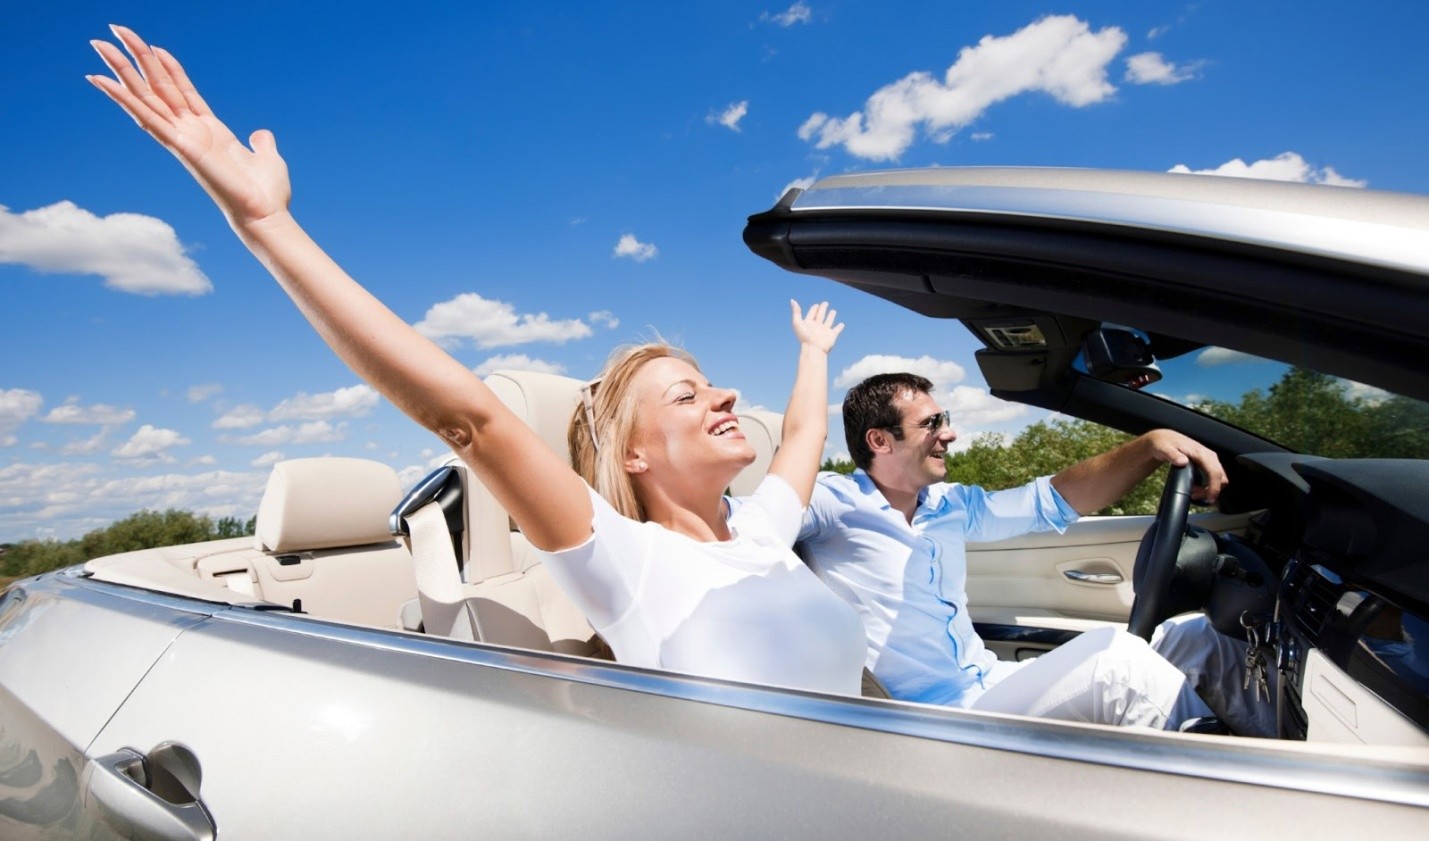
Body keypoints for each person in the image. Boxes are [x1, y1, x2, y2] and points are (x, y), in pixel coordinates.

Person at [89, 26, 868, 695]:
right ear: (631, 454)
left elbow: (803, 434)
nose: (725, 397)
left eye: (710, 385)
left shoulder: (763, 531)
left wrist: (812, 351)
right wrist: (266, 223)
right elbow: (470, 419)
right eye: (686, 395)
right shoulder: (623, 559)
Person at [797, 372, 1276, 734]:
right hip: (940, 720)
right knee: (1119, 668)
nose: (949, 433)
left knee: (1198, 637)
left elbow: (1052, 500)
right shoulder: (831, 503)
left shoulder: (949, 505)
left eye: (945, 419)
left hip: (992, 682)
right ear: (880, 441)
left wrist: (1149, 447)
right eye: (930, 423)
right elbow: (756, 523)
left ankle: (1287, 760)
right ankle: (1241, 803)